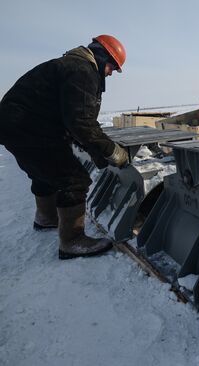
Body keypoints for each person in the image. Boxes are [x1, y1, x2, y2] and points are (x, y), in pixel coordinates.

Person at [0, 35, 129, 260]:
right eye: (112, 67)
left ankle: (46, 218)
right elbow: (81, 122)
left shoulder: (71, 66)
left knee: (45, 172)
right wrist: (111, 150)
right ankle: (72, 241)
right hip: (27, 127)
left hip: (18, 126)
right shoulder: (82, 71)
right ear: (102, 56)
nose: (110, 73)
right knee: (74, 179)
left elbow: (72, 121)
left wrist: (95, 151)